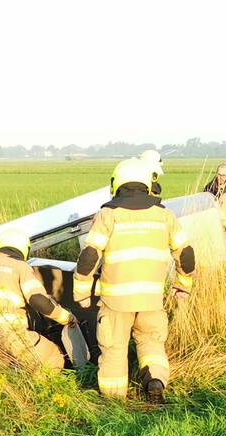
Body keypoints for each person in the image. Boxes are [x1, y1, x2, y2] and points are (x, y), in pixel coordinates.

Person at [72, 158, 196, 403]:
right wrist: (183, 284)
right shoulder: (164, 215)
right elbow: (186, 254)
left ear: (117, 183)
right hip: (151, 299)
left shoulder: (108, 215)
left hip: (116, 301)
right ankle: (155, 381)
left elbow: (89, 257)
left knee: (114, 349)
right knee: (151, 343)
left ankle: (115, 402)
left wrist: (82, 293)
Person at [0, 228, 77, 370]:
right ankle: (39, 391)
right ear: (24, 249)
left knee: (4, 378)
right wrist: (67, 318)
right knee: (53, 358)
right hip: (12, 335)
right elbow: (38, 300)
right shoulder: (20, 266)